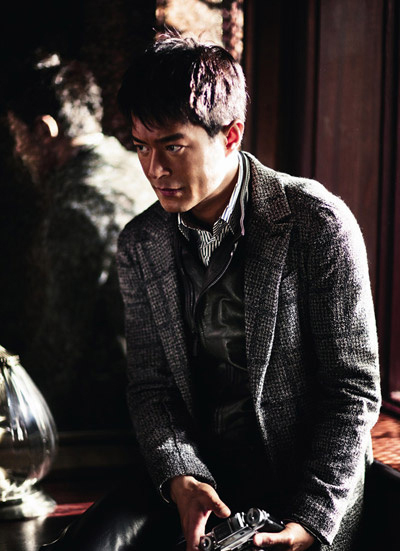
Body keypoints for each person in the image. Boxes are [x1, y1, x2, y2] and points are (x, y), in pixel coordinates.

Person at [40, 32, 381, 551]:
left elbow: (352, 392)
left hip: (303, 490)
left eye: (173, 146)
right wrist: (181, 477)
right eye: (141, 146)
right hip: (195, 481)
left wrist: (310, 522)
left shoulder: (318, 223)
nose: (153, 169)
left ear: (231, 134)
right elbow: (151, 389)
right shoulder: (141, 242)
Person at [5, 53, 155, 430]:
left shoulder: (77, 208)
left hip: (125, 418)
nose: (17, 151)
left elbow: (60, 347)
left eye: (17, 136)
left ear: (44, 131)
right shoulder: (139, 171)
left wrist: (15, 419)